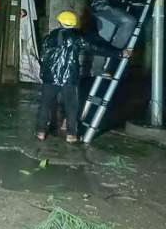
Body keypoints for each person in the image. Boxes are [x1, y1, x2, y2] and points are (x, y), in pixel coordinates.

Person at [37, 10, 128, 143]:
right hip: (69, 78)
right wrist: (119, 53)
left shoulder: (48, 38)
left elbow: (43, 57)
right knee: (72, 107)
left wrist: (45, 73)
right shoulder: (77, 38)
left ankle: (41, 132)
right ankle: (71, 134)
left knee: (45, 105)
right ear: (74, 24)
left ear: (60, 22)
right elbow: (96, 48)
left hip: (50, 78)